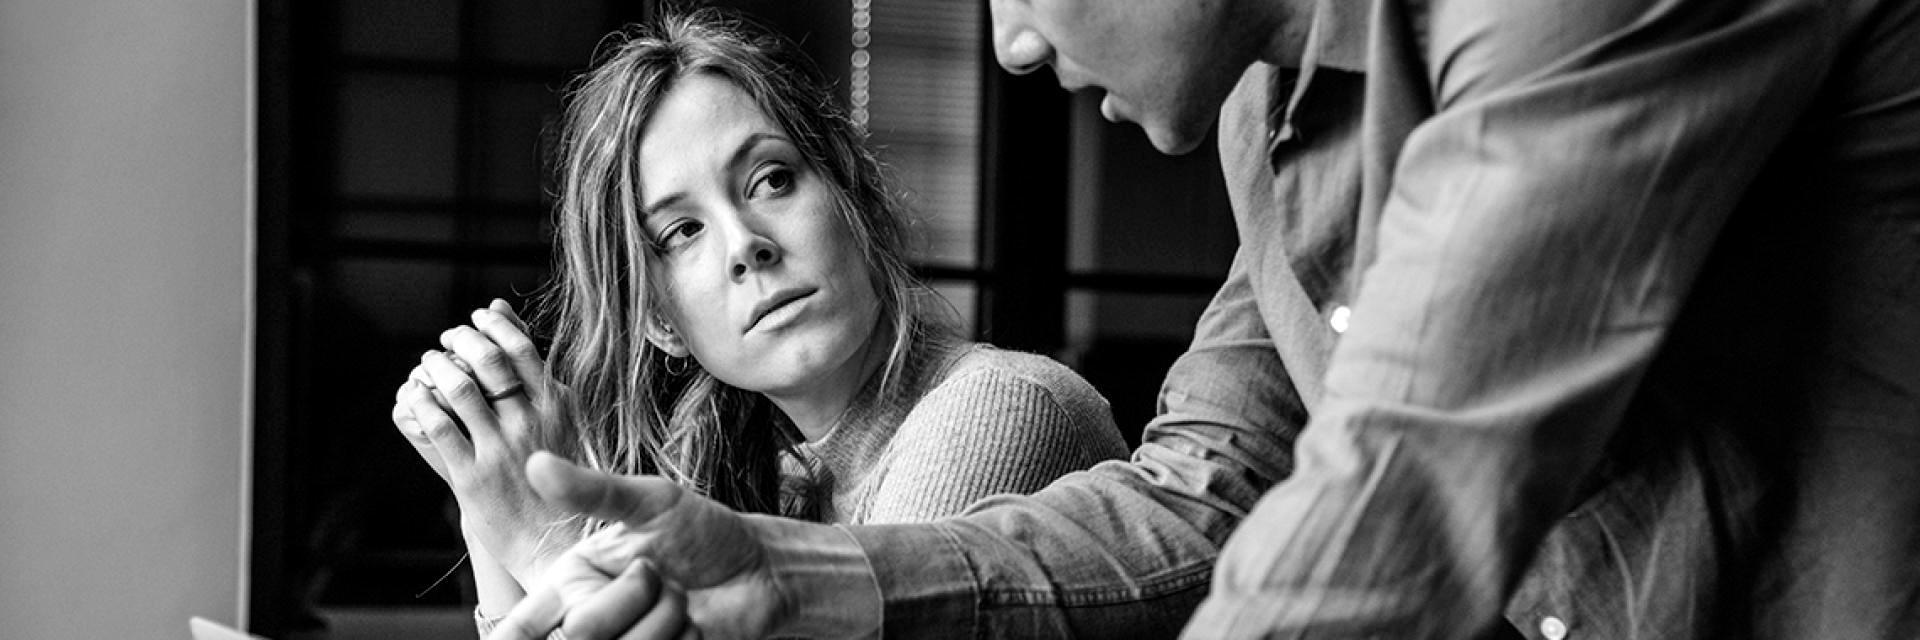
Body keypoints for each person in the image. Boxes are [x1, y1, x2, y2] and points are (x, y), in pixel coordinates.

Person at [492, 0, 1920, 637]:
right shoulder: (1265, 122)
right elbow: (1210, 488)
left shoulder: (1551, 14)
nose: (1013, 45)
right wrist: (793, 574)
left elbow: (1409, 482)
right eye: (677, 234)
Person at [389, 9, 1129, 637]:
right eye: (683, 231)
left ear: (854, 201)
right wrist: (484, 499)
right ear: (660, 324)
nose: (745, 245)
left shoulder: (1003, 408)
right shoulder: (761, 479)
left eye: (771, 179)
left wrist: (545, 536)